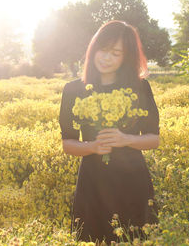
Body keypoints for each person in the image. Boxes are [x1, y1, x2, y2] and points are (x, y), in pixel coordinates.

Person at [59, 20, 160, 244]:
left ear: (127, 57)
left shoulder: (140, 87)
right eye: (103, 50)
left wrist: (126, 139)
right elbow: (68, 143)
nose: (106, 58)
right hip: (93, 182)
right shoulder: (73, 89)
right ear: (93, 49)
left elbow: (154, 139)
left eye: (116, 53)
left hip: (132, 181)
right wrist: (93, 147)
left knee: (136, 238)